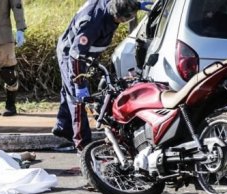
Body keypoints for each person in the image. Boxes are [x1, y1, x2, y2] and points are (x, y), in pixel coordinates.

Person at [52, 0, 153, 151]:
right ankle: (82, 144)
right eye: (121, 19)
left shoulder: (115, 3)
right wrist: (79, 84)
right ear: (113, 12)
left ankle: (64, 129)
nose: (122, 22)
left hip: (83, 51)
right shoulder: (92, 23)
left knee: (69, 91)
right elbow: (76, 55)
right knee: (77, 98)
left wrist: (136, 5)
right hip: (71, 52)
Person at [0, 0, 27, 116]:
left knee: (8, 72)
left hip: (3, 35)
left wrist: (20, 28)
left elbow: (17, 6)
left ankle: (10, 105)